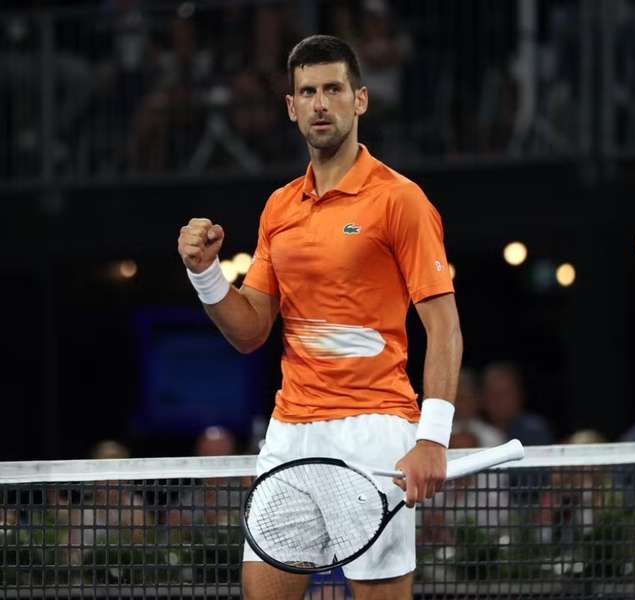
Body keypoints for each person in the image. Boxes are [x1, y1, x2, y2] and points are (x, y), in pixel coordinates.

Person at [176, 34, 462, 600]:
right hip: (290, 435)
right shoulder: (279, 208)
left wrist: (433, 438)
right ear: (292, 106)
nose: (320, 103)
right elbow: (251, 330)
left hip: (374, 432)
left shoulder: (400, 201)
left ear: (360, 100)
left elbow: (445, 327)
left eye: (333, 89)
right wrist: (206, 274)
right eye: (307, 92)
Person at [482, 361, 554, 446]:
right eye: (493, 393)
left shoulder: (533, 431)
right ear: (482, 397)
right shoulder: (474, 429)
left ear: (519, 395)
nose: (499, 400)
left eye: (506, 393)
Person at [452, 367, 504, 449]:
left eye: (467, 398)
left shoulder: (493, 436)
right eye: (458, 398)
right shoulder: (437, 435)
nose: (462, 404)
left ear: (477, 399)